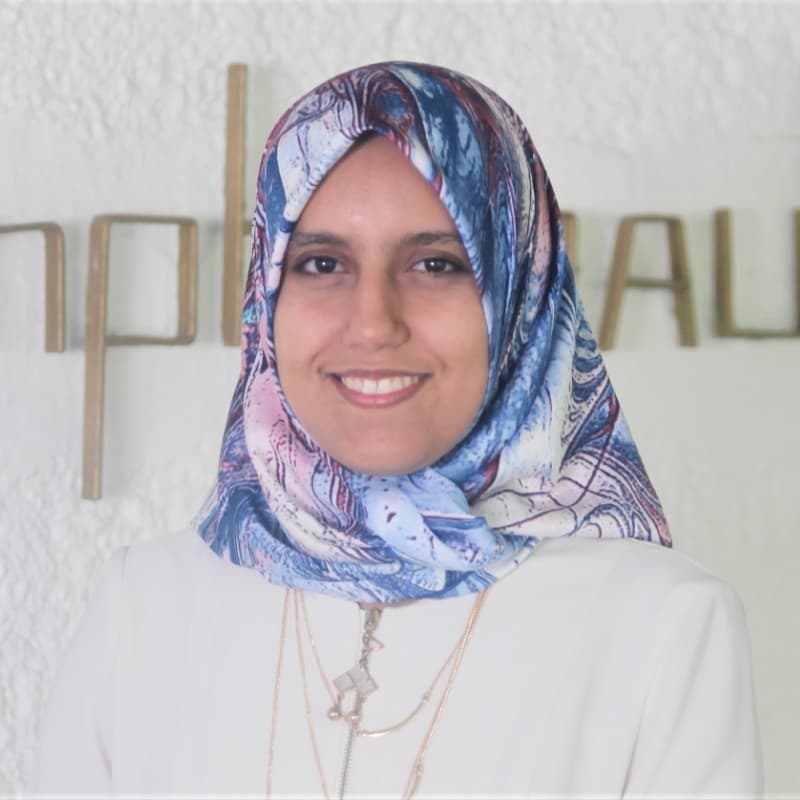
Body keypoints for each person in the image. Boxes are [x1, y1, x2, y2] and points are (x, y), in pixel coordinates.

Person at [31, 61, 762, 798]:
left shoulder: (659, 624)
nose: (374, 323)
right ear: (266, 296)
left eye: (436, 264)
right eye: (322, 263)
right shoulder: (146, 605)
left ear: (520, 290)